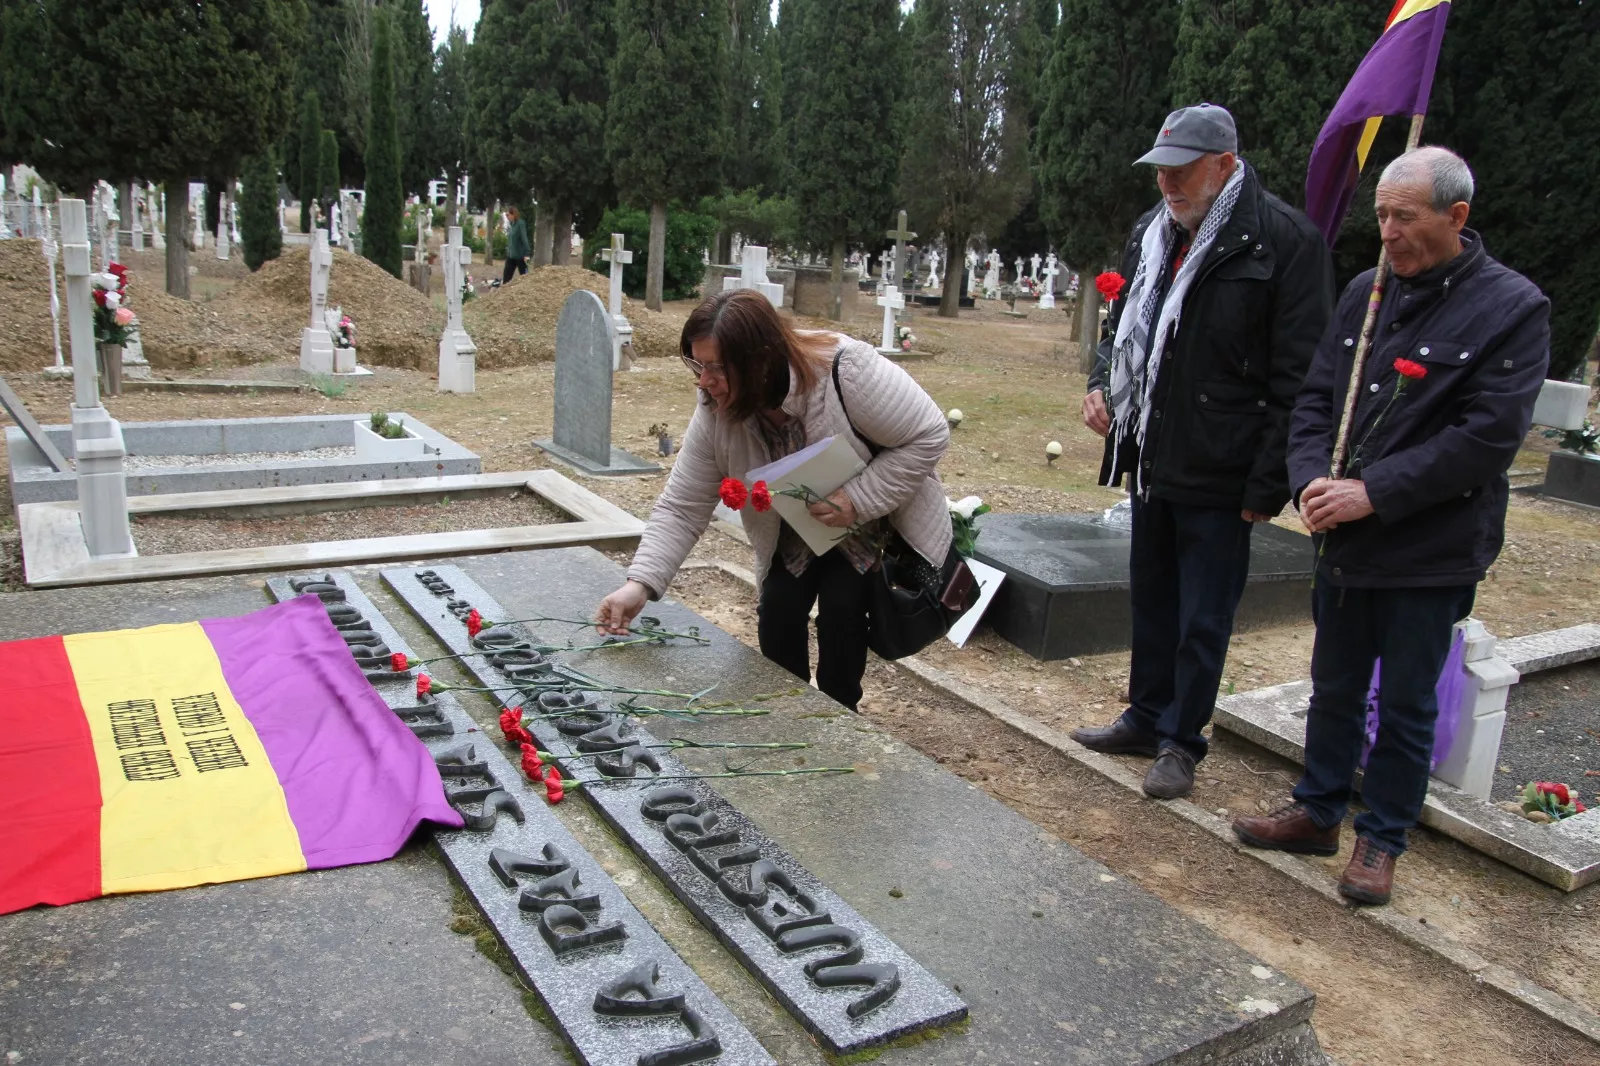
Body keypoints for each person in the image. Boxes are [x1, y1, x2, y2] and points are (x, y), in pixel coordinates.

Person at [1231, 147, 1550, 905]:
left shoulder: (1512, 308)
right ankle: (1317, 809)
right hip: (1345, 538)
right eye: (1380, 215)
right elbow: (1316, 397)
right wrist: (1310, 478)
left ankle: (1382, 838)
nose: (1388, 232)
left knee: (1406, 700)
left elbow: (1486, 438)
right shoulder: (1368, 292)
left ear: (1456, 216)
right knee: (1333, 684)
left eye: (1404, 218)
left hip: (1429, 546)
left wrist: (1373, 491)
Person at [1072, 103, 1334, 799]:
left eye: (1183, 171)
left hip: (1225, 463)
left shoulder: (1282, 241)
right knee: (1153, 597)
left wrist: (1264, 487)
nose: (1168, 186)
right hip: (1153, 450)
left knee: (1202, 615)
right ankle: (1144, 715)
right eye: (1161, 171)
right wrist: (1103, 383)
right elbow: (1124, 325)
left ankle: (1182, 740)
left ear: (1224, 165)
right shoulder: (1151, 234)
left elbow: (1300, 376)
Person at [595, 289, 952, 709]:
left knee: (844, 615)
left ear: (760, 360)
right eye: (697, 364)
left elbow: (929, 434)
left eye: (716, 367)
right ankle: (785, 715)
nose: (703, 381)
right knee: (779, 615)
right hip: (792, 530)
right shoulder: (716, 405)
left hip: (865, 524)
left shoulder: (846, 367)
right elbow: (683, 504)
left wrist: (857, 498)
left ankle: (841, 720)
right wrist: (639, 585)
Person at [501, 205, 529, 285]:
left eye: (508, 215)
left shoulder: (520, 224)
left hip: (520, 256)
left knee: (525, 278)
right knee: (506, 278)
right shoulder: (512, 225)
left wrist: (527, 253)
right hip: (511, 256)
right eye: (506, 215)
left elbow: (524, 239)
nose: (507, 217)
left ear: (513, 214)